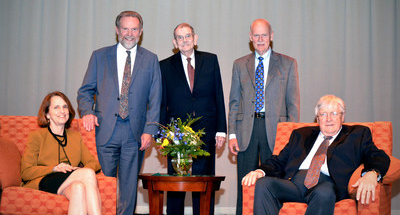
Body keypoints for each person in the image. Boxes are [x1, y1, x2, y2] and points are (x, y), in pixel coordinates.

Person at [242, 94, 390, 215]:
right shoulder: (300, 135)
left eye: (334, 113)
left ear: (342, 116)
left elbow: (377, 156)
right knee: (264, 184)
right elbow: (279, 160)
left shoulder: (357, 134)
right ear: (317, 119)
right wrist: (259, 171)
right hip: (294, 184)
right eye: (323, 114)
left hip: (327, 185)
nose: (328, 118)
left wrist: (372, 173)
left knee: (324, 192)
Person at [77, 11, 161, 215]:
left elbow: (156, 98)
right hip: (105, 132)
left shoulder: (150, 59)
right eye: (125, 28)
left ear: (140, 32)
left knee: (128, 189)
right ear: (117, 30)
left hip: (135, 134)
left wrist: (150, 129)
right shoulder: (99, 56)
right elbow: (85, 91)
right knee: (103, 187)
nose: (129, 33)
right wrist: (87, 111)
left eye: (134, 29)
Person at [228, 18, 300, 214]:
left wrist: (290, 136)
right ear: (250, 37)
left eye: (264, 35)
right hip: (246, 131)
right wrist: (232, 134)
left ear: (271, 36)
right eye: (256, 35)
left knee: (274, 181)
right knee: (245, 181)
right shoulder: (239, 64)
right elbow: (234, 102)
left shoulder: (288, 64)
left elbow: (293, 104)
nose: (260, 39)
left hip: (277, 131)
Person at [159, 23, 227, 215]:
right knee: (175, 186)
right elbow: (162, 102)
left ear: (195, 39)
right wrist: (164, 135)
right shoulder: (164, 66)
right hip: (176, 135)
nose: (184, 40)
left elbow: (218, 95)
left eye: (188, 36)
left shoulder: (211, 60)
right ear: (174, 42)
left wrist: (221, 129)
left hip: (207, 131)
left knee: (203, 183)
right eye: (180, 37)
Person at [21, 91, 102, 215]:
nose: (62, 111)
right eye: (56, 107)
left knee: (78, 188)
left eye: (65, 107)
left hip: (67, 179)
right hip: (44, 179)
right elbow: (26, 172)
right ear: (47, 114)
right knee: (88, 173)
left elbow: (94, 163)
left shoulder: (75, 137)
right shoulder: (37, 136)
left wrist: (77, 171)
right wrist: (53, 168)